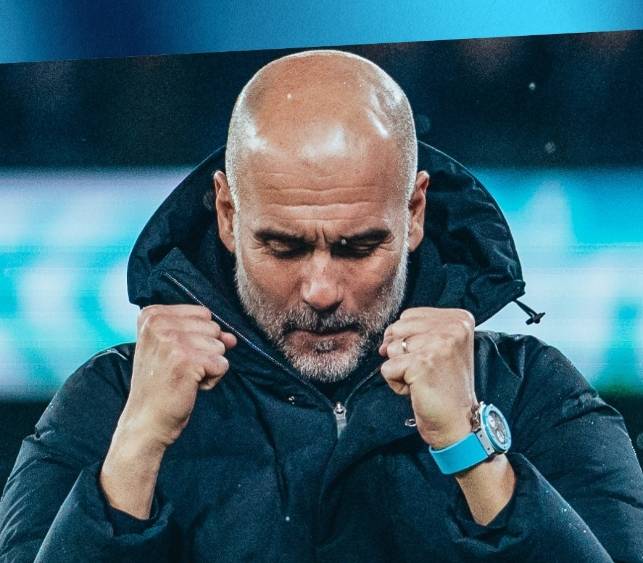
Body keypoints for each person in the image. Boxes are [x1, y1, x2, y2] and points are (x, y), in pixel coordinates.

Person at [0, 49, 642, 562]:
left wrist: (471, 452)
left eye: (358, 247)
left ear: (414, 212)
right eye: (283, 247)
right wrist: (137, 450)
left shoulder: (533, 392)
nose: (321, 290)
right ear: (227, 213)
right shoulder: (111, 402)